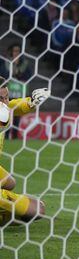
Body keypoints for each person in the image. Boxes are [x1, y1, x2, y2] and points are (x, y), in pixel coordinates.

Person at [0, 76, 50, 225]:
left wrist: (31, 102)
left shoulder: (4, 110)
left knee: (9, 183)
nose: (5, 102)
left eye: (6, 97)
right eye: (0, 98)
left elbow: (15, 105)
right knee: (37, 210)